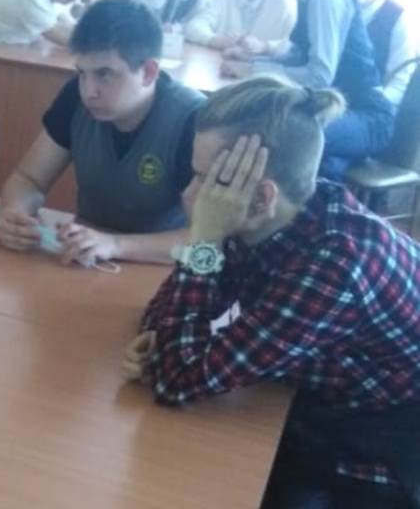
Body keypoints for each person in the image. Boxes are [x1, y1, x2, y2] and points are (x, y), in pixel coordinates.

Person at [126, 76, 420, 507]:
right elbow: (167, 313)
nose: (188, 194)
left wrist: (204, 239)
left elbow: (175, 381)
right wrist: (158, 339)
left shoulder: (333, 266)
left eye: (205, 180)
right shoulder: (278, 214)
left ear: (262, 197)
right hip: (319, 394)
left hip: (381, 441)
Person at [0, 0, 204, 265]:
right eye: (82, 73)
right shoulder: (75, 96)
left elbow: (209, 242)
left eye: (104, 74)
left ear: (148, 72)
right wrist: (17, 215)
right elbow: (29, 179)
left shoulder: (192, 120)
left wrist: (115, 245)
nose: (88, 91)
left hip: (159, 267)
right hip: (85, 259)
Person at [223, 0, 394, 178]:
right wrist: (253, 60)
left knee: (290, 135)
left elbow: (319, 77)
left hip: (367, 116)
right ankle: (329, 188)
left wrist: (252, 70)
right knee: (321, 162)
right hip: (338, 109)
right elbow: (298, 56)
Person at [333, 0, 417, 107]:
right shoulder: (337, 4)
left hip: (368, 106)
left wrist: (371, 106)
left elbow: (399, 84)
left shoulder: (397, 19)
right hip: (331, 96)